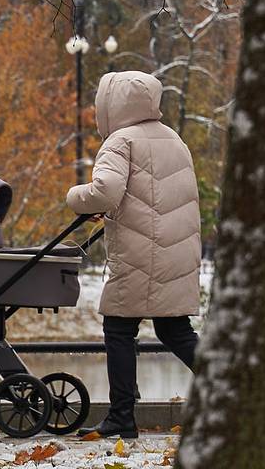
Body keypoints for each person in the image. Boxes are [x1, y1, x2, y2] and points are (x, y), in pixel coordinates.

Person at [66, 70, 202, 439]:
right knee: (174, 330)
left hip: (141, 253)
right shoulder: (174, 140)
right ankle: (234, 390)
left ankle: (122, 414)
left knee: (119, 328)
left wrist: (75, 197)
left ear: (111, 104)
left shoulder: (120, 141)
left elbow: (106, 192)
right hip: (175, 252)